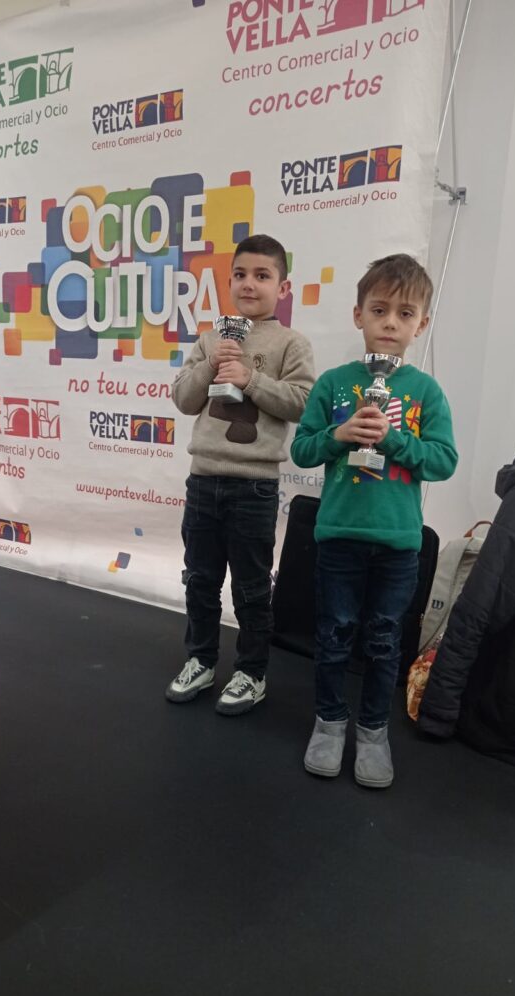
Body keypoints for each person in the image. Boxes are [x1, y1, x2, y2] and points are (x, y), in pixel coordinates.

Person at [291, 253, 457, 787]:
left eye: (405, 314)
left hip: (399, 543)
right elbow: (301, 450)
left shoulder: (426, 392)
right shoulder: (334, 383)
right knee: (334, 635)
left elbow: (443, 461)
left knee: (385, 641)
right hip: (339, 535)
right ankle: (329, 722)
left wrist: (395, 440)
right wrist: (339, 436)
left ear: (421, 324)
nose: (390, 323)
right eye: (379, 309)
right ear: (358, 314)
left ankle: (373, 731)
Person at [167, 234, 315, 714]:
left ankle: (251, 671)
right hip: (203, 479)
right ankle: (201, 660)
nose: (249, 284)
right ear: (228, 281)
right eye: (241, 275)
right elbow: (184, 398)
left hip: (254, 485)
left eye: (262, 275)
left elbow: (303, 403)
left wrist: (251, 378)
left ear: (283, 288)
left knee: (251, 587)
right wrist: (213, 362)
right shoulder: (210, 339)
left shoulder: (291, 343)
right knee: (200, 579)